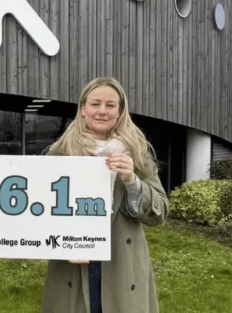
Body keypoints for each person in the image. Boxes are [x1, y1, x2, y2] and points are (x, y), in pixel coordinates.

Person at [40, 77, 169, 313]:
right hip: (73, 264)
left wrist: (132, 181)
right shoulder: (60, 152)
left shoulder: (137, 152)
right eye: (95, 104)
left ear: (120, 111)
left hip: (122, 262)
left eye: (110, 105)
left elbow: (160, 212)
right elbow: (39, 212)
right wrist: (64, 247)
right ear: (83, 109)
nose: (102, 111)